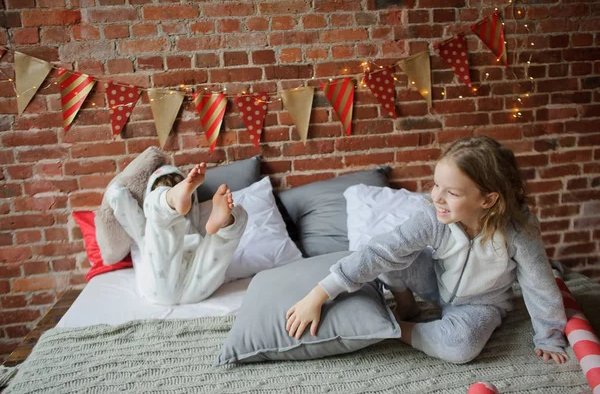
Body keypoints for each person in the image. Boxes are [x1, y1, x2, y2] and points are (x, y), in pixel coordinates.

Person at [285, 136, 568, 364]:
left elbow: (539, 285)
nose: (437, 197)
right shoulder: (433, 218)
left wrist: (550, 337)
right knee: (386, 251)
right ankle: (407, 306)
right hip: (435, 280)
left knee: (461, 347)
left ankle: (396, 330)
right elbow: (381, 251)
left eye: (452, 193)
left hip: (481, 303)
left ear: (488, 199)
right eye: (436, 185)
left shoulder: (518, 231)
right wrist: (319, 294)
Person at [105, 162, 247, 305]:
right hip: (197, 287)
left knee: (157, 217)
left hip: (170, 289)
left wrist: (115, 191)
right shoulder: (157, 228)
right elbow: (127, 208)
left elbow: (127, 212)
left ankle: (224, 220)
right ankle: (226, 222)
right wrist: (116, 192)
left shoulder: (159, 226)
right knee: (223, 241)